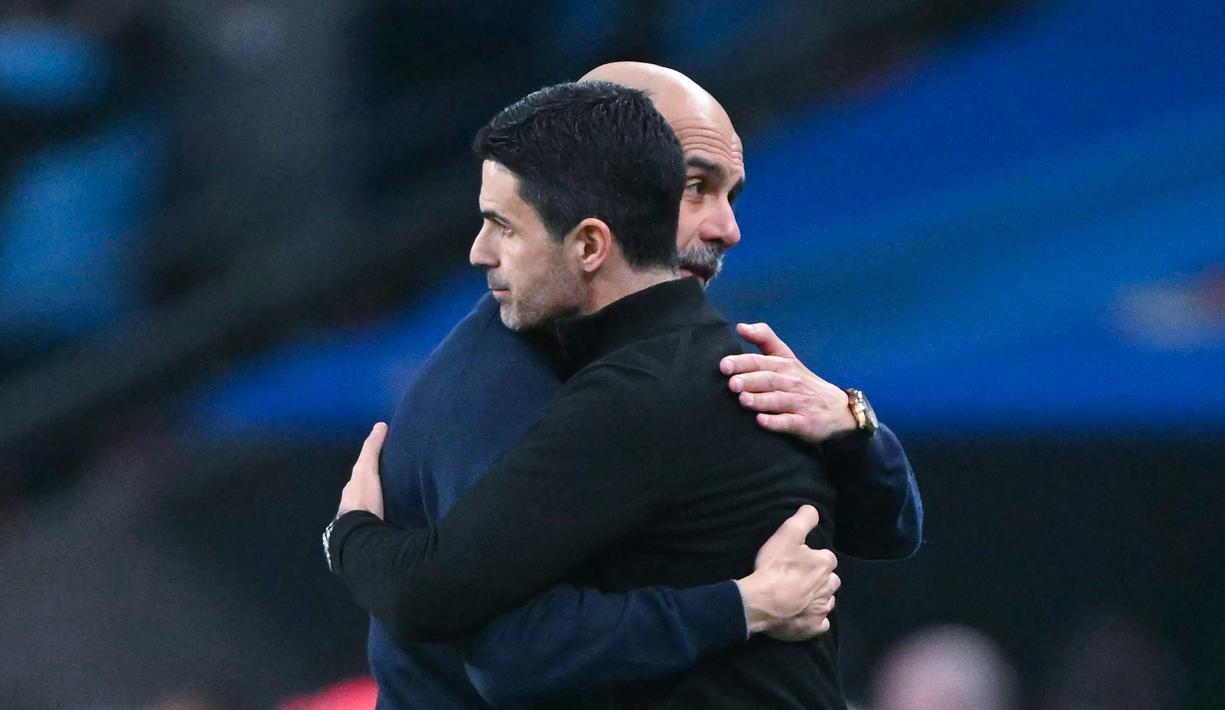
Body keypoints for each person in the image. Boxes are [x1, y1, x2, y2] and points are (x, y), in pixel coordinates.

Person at [326, 79, 915, 709]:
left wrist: (349, 535)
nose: (727, 227)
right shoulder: (502, 380)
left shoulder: (658, 383)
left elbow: (474, 628)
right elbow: (503, 642)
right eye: (695, 185)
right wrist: (743, 605)